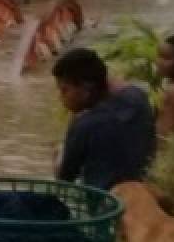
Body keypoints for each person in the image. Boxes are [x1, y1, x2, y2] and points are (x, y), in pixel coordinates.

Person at [53, 48, 156, 191]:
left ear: (86, 87)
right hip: (143, 195)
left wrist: (61, 150)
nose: (61, 97)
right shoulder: (139, 98)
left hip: (105, 207)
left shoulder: (84, 125)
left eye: (64, 90)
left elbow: (63, 180)